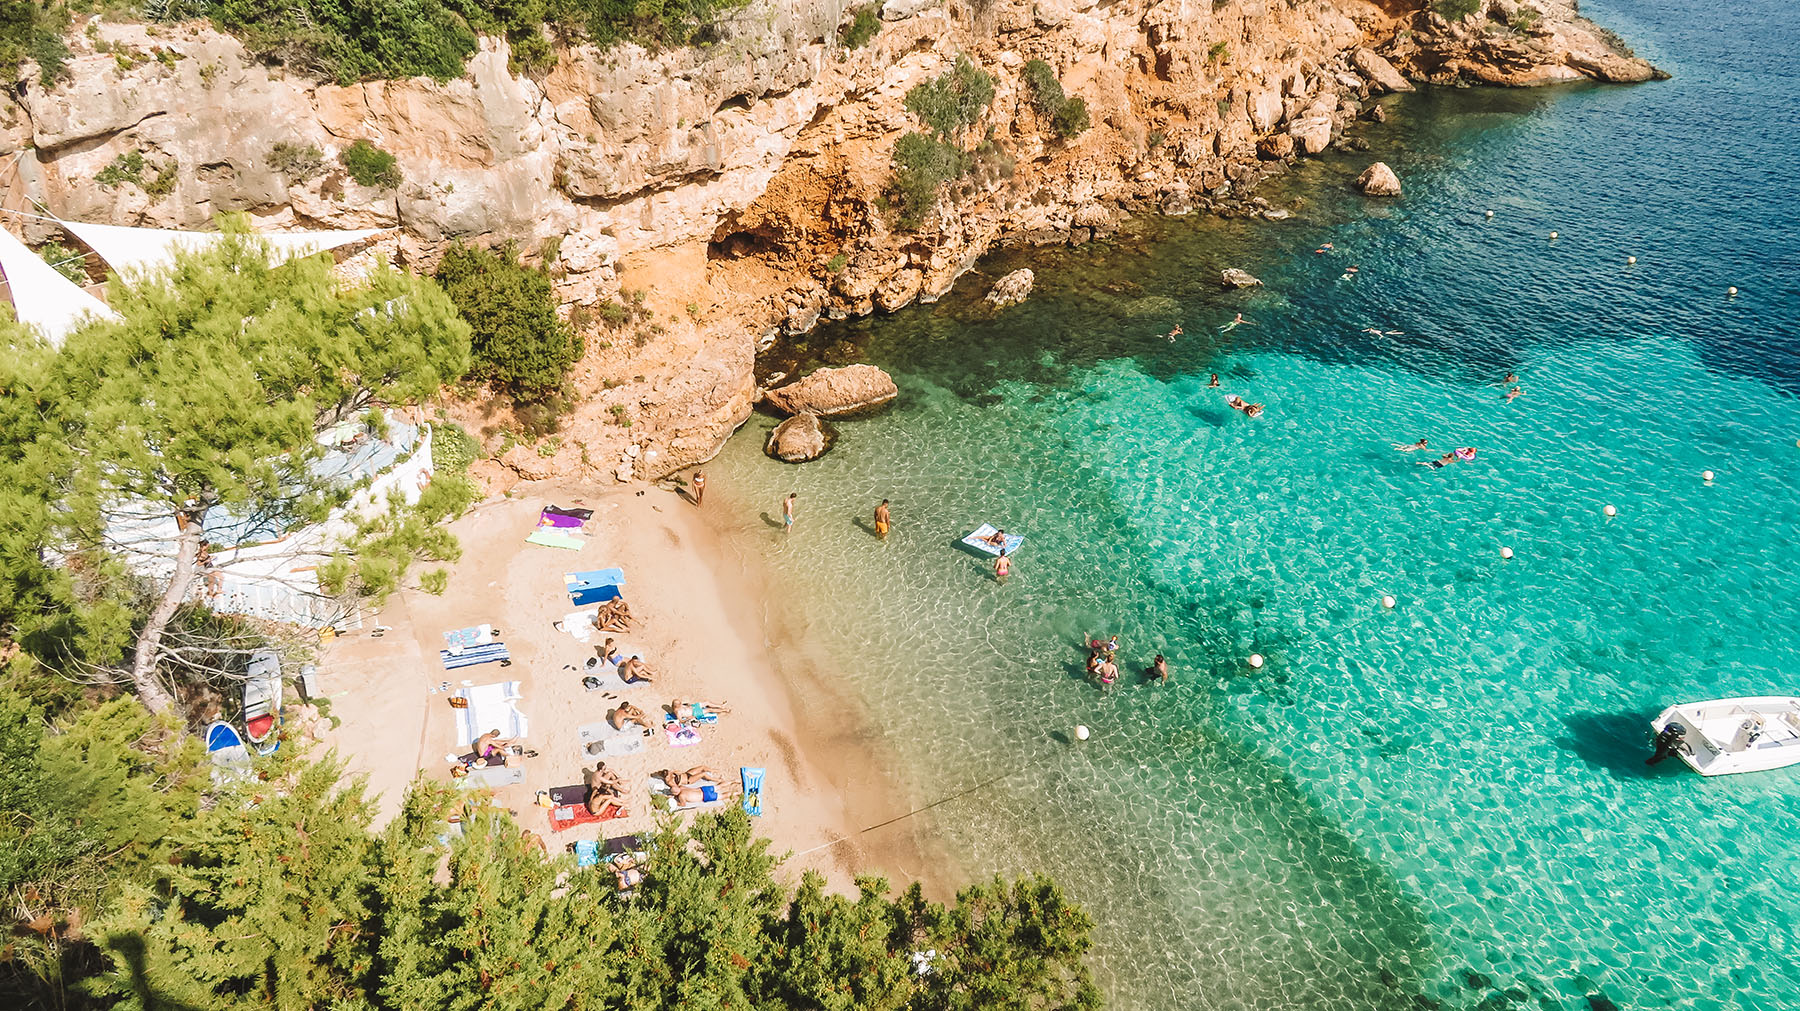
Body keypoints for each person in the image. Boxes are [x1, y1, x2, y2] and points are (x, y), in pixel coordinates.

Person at [657, 766, 724, 790]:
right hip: (689, 780)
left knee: (702, 767)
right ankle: (718, 780)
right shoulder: (669, 782)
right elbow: (676, 787)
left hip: (687, 774)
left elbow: (680, 771)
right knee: (703, 774)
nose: (670, 774)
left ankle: (715, 771)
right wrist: (679, 781)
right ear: (666, 776)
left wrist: (674, 772)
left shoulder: (670, 773)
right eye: (669, 774)